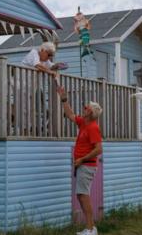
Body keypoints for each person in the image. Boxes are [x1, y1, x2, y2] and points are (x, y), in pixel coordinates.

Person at [57, 86, 102, 235]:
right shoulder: (83, 122)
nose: (84, 109)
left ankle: (90, 229)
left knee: (83, 196)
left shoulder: (93, 128)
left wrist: (81, 159)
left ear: (90, 112)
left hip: (86, 166)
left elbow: (98, 149)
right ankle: (90, 228)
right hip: (82, 165)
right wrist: (64, 99)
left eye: (86, 108)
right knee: (80, 196)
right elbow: (69, 114)